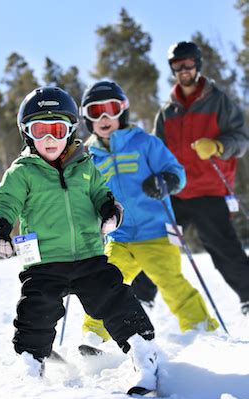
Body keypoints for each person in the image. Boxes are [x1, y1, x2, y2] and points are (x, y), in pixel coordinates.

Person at [0, 86, 159, 393]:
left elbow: (103, 195)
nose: (49, 139)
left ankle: (145, 356)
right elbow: (5, 202)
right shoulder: (22, 172)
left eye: (57, 130)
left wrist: (109, 211)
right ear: (27, 134)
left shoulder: (85, 165)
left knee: (115, 299)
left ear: (70, 131)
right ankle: (31, 367)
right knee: (36, 310)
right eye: (40, 130)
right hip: (45, 262)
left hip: (90, 257)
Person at [80, 80, 219, 348]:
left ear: (123, 111)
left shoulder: (144, 142)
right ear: (88, 118)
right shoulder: (89, 157)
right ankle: (94, 336)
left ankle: (202, 329)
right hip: (119, 237)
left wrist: (166, 180)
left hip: (155, 232)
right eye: (96, 112)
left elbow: (177, 172)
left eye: (111, 109)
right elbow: (86, 193)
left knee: (171, 282)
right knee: (106, 283)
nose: (105, 117)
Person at [154, 41, 249, 317]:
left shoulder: (218, 100)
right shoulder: (167, 111)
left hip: (210, 190)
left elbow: (241, 140)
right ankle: (142, 298)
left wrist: (219, 146)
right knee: (158, 244)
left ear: (197, 65)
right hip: (177, 193)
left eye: (188, 64)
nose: (183, 70)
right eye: (177, 65)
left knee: (223, 249)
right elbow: (156, 150)